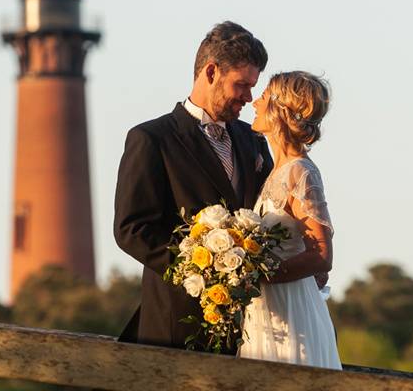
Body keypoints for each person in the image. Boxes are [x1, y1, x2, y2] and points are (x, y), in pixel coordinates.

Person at [114, 21, 273, 353]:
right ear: (212, 72)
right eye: (242, 85)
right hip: (176, 323)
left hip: (251, 328)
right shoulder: (152, 139)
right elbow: (132, 228)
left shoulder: (254, 141)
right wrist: (199, 268)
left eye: (252, 86)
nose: (249, 97)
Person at [238, 71, 341, 369]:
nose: (255, 103)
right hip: (266, 313)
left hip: (292, 311)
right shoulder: (275, 171)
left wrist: (258, 276)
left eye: (265, 97)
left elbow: (321, 255)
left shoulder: (301, 172)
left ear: (280, 111)